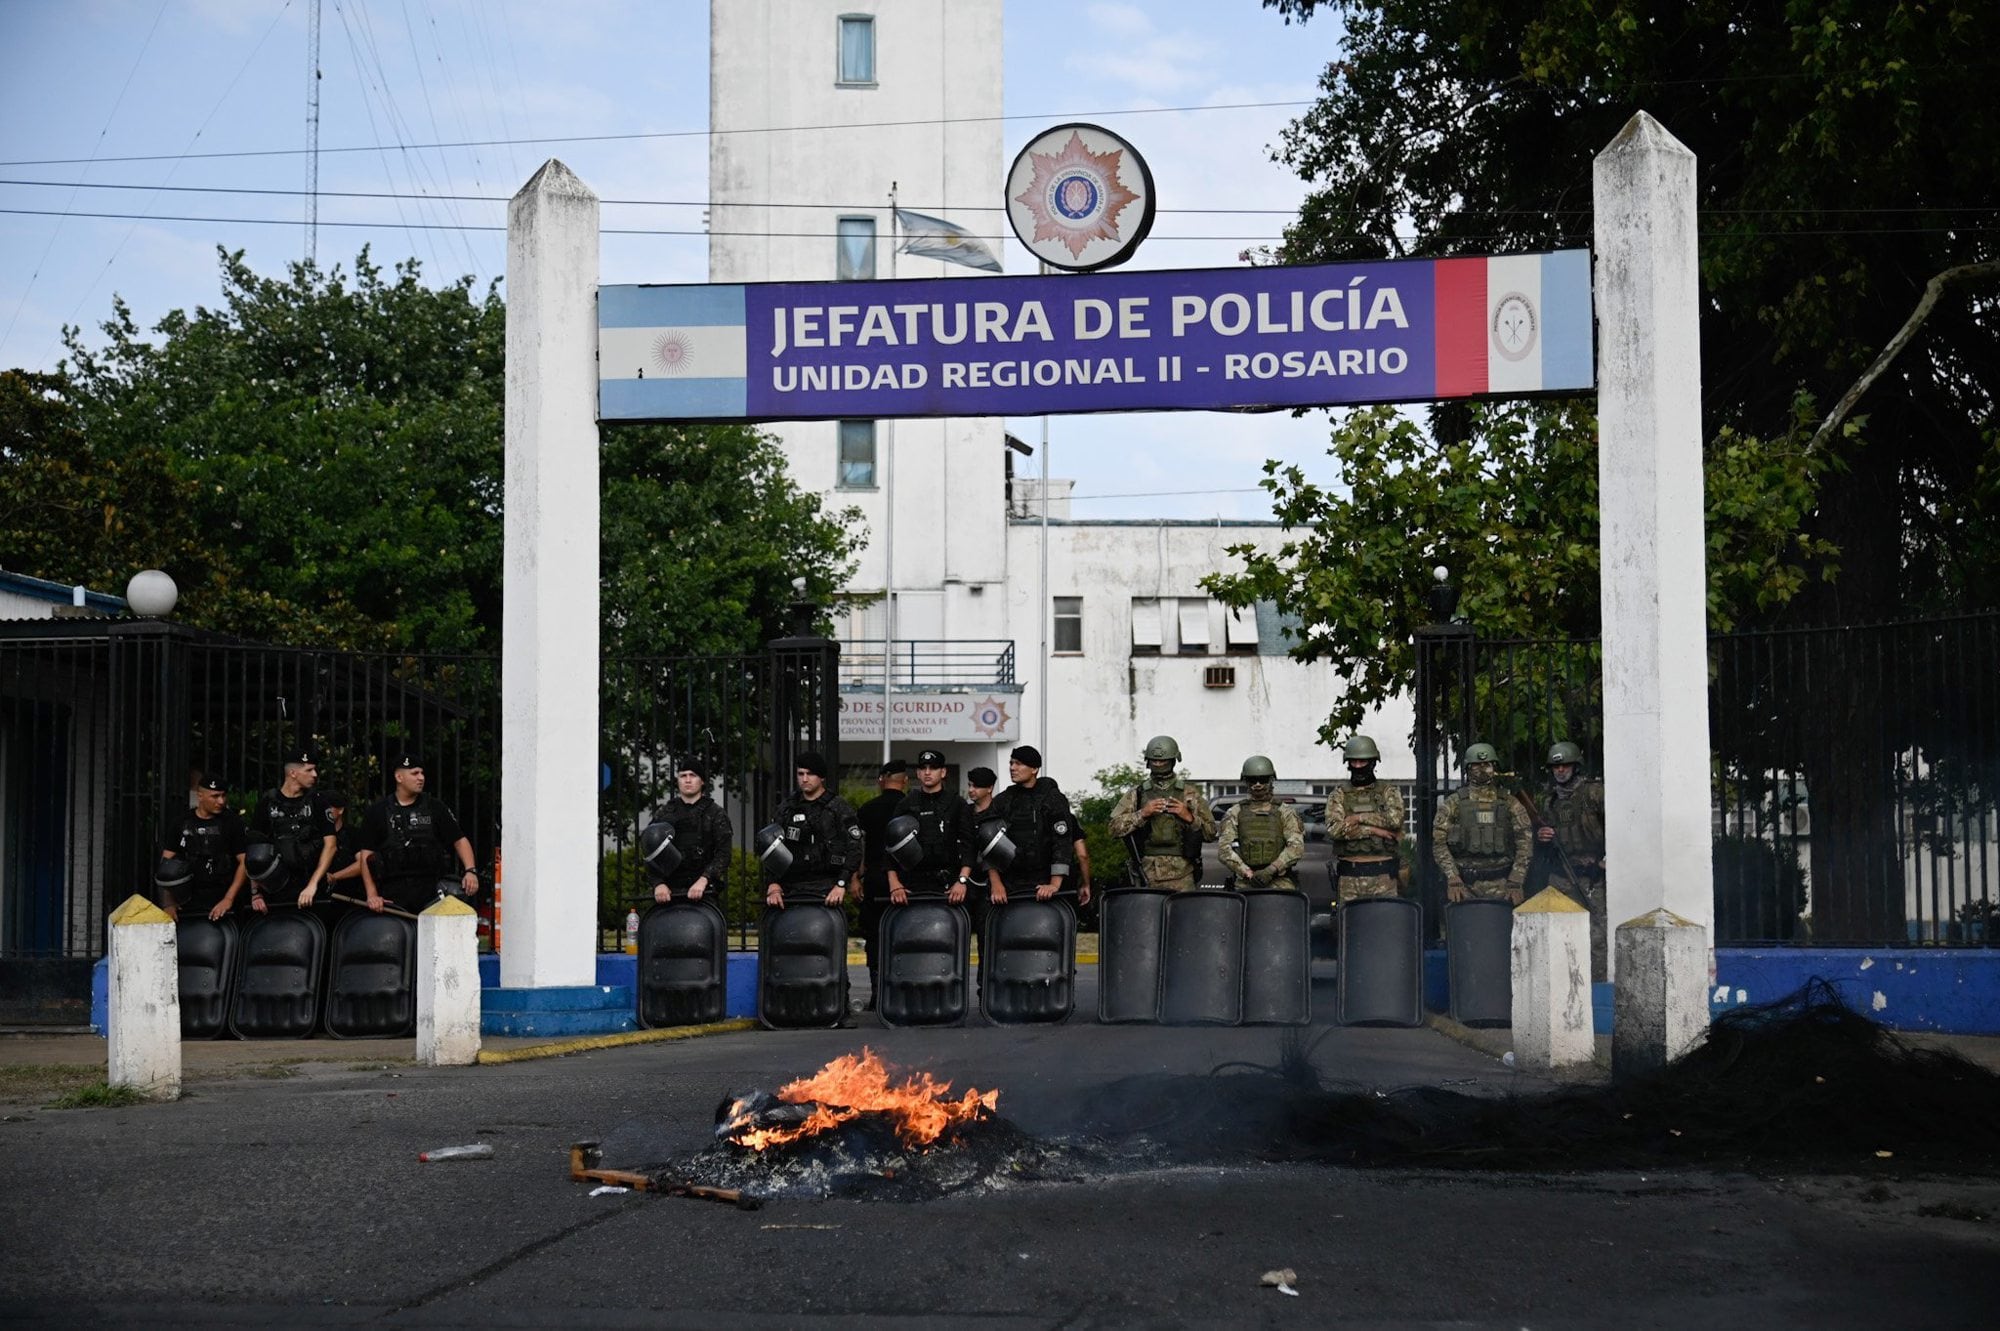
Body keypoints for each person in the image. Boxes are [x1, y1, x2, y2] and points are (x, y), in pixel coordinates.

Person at [357, 754, 480, 914]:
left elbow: (459, 840)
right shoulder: (377, 811)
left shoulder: (435, 807)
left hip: (431, 891)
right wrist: (372, 895)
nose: (421, 778)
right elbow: (366, 855)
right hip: (393, 893)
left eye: (422, 773)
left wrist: (470, 871)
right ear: (399, 777)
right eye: (415, 773)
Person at [1537, 739, 1608, 979]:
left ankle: (1596, 986)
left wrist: (1606, 860)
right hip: (1562, 875)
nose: (1560, 770)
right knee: (1559, 931)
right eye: (1556, 767)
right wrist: (1541, 836)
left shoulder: (1594, 793)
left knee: (1596, 933)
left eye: (1565, 766)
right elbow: (1538, 843)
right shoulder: (1550, 801)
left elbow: (1617, 826)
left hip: (1592, 875)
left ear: (1575, 766)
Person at [1107, 735, 1216, 891]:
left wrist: (1190, 818)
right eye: (1154, 761)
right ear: (1148, 762)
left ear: (1173, 760)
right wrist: (1142, 814)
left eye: (1162, 761)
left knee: (1184, 914)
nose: (1158, 764)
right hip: (1147, 873)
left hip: (1183, 874)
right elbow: (1113, 828)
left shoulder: (1189, 794)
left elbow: (1211, 833)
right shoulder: (1136, 794)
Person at [1432, 742, 1534, 905]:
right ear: (1467, 768)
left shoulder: (1509, 803)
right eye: (1476, 765)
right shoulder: (1453, 803)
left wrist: (1516, 880)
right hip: (1464, 887)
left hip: (1503, 886)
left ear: (1494, 767)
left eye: (1486, 764)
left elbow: (1525, 842)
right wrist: (1452, 877)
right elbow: (1439, 843)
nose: (1481, 768)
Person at [763, 750, 861, 909]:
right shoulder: (787, 808)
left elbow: (854, 848)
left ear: (821, 777)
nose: (805, 779)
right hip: (791, 888)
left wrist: (841, 884)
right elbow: (771, 847)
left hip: (826, 888)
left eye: (810, 774)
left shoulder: (838, 808)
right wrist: (773, 884)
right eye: (800, 774)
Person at [983, 746, 1077, 906]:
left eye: (1019, 764)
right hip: (1010, 885)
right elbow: (988, 841)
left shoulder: (1052, 799)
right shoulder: (1003, 801)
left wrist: (1054, 885)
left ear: (1034, 769)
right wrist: (996, 884)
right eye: (1011, 763)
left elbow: (1062, 842)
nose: (1012, 768)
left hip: (1044, 881)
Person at [247, 748, 337, 909]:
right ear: (293, 773)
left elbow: (331, 845)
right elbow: (254, 851)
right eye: (309, 770)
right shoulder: (268, 802)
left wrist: (312, 885)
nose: (315, 774)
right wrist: (256, 893)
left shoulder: (318, 801)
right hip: (277, 887)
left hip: (312, 888)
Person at [159, 772, 250, 922]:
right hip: (189, 900)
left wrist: (228, 899)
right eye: (215, 796)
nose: (221, 801)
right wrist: (169, 903)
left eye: (223, 795)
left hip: (224, 899)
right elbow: (167, 865)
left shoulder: (233, 822)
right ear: (200, 796)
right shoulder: (181, 822)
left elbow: (244, 862)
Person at [1323, 735, 1404, 903]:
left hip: (1383, 876)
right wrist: (1374, 830)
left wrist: (1359, 818)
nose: (1358, 766)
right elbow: (1335, 830)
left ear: (1373, 763)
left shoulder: (1388, 791)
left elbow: (1395, 821)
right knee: (1349, 925)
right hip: (1350, 877)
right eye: (1354, 762)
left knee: (1386, 924)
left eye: (1363, 762)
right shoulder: (1339, 794)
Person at [888, 750, 974, 905]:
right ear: (918, 773)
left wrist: (962, 881)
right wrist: (894, 884)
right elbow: (890, 846)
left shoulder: (957, 804)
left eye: (933, 768)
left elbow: (969, 845)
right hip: (912, 884)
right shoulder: (906, 803)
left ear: (943, 772)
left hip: (949, 885)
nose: (927, 772)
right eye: (923, 768)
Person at [856, 759, 909, 1006]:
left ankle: (877, 993)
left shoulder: (867, 809)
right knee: (905, 935)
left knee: (874, 937)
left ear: (881, 780)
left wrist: (856, 878)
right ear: (905, 781)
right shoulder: (910, 807)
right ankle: (900, 992)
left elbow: (859, 848)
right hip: (905, 880)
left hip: (875, 879)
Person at [645, 759, 733, 905]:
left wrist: (704, 880)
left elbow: (723, 854)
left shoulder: (715, 813)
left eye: (693, 775)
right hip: (668, 892)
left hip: (705, 891)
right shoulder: (664, 813)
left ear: (702, 781)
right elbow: (650, 850)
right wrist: (658, 883)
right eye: (683, 776)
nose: (687, 780)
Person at [1217, 755, 1305, 890]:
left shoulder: (1286, 812)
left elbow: (1296, 848)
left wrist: (1270, 870)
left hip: (1279, 882)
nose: (1257, 785)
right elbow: (1224, 850)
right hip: (1245, 882)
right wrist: (1247, 873)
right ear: (1246, 782)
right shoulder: (1235, 812)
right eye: (1252, 780)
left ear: (1271, 780)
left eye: (1262, 780)